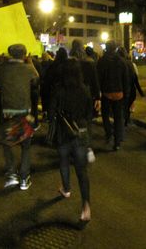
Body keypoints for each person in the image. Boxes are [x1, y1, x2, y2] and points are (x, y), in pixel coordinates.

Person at [49, 59, 92, 221]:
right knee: (82, 171)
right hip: (80, 133)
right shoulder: (86, 90)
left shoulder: (58, 90)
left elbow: (51, 112)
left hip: (63, 133)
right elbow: (89, 115)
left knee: (64, 161)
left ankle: (66, 189)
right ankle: (86, 206)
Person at [0, 44, 38, 190]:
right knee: (26, 146)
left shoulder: (2, 68)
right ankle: (24, 178)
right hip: (24, 111)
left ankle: (12, 174)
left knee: (8, 143)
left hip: (7, 112)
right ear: (24, 54)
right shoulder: (29, 68)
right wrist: (30, 62)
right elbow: (36, 80)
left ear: (10, 54)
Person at [97, 40, 130, 151]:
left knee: (105, 116)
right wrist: (126, 94)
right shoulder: (121, 61)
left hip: (106, 93)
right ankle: (117, 142)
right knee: (118, 117)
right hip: (119, 93)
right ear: (115, 48)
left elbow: (98, 78)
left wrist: (98, 93)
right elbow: (125, 79)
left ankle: (109, 134)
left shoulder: (102, 61)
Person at [117, 47, 144, 126]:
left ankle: (121, 124)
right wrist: (140, 91)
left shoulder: (118, 64)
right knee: (127, 107)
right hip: (131, 90)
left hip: (122, 89)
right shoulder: (130, 64)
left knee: (122, 108)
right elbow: (135, 78)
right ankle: (126, 121)